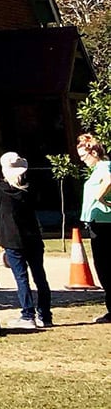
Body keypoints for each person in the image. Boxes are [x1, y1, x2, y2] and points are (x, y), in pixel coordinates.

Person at [0, 151, 51, 330]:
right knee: (40, 276)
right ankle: (45, 315)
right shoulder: (29, 188)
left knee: (21, 277)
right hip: (33, 237)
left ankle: (28, 314)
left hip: (12, 239)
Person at [79, 134, 111, 324]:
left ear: (93, 152)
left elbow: (108, 180)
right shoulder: (98, 168)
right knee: (104, 267)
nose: (83, 160)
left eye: (84, 156)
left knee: (106, 267)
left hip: (104, 224)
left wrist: (101, 198)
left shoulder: (104, 167)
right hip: (97, 222)